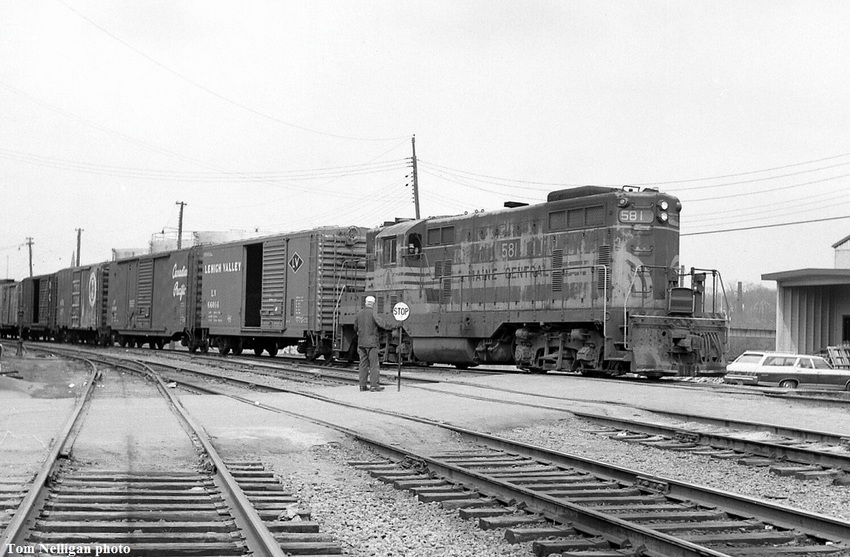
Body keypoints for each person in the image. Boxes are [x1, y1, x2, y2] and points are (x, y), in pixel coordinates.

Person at [353, 295, 390, 392]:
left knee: (363, 365)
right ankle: (374, 386)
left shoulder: (359, 313)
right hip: (372, 343)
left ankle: (362, 386)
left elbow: (355, 327)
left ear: (365, 303)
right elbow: (382, 324)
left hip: (361, 343)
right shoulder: (373, 313)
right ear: (373, 304)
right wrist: (393, 326)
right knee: (374, 365)